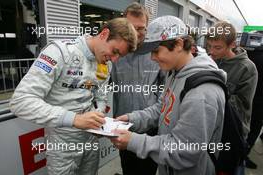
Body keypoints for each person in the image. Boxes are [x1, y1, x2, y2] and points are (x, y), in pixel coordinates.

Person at [10, 18, 137, 175]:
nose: (115, 59)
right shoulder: (60, 53)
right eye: (115, 51)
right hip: (62, 145)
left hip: (90, 140)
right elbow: (20, 101)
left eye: (120, 56)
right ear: (104, 34)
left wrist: (99, 111)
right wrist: (75, 119)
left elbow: (100, 94)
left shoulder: (106, 63)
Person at [110, 15, 226, 175]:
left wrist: (133, 141)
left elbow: (185, 151)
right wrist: (132, 119)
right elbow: (163, 108)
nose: (152, 57)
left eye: (156, 51)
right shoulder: (175, 73)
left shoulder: (202, 93)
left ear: (178, 44)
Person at [110, 3, 164, 175]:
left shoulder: (158, 52)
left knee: (147, 171)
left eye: (141, 28)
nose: (136, 32)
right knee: (128, 169)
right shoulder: (115, 52)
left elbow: (166, 92)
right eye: (131, 27)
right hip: (124, 125)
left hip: (151, 128)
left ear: (147, 27)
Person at [206, 21, 258, 174]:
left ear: (232, 44)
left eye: (217, 47)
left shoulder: (248, 68)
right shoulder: (211, 60)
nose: (212, 52)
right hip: (211, 128)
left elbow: (241, 107)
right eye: (209, 46)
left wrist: (214, 88)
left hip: (232, 131)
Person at [245, 48, 263, 169]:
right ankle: (243, 155)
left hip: (248, 98)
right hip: (259, 102)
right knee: (254, 128)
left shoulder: (251, 52)